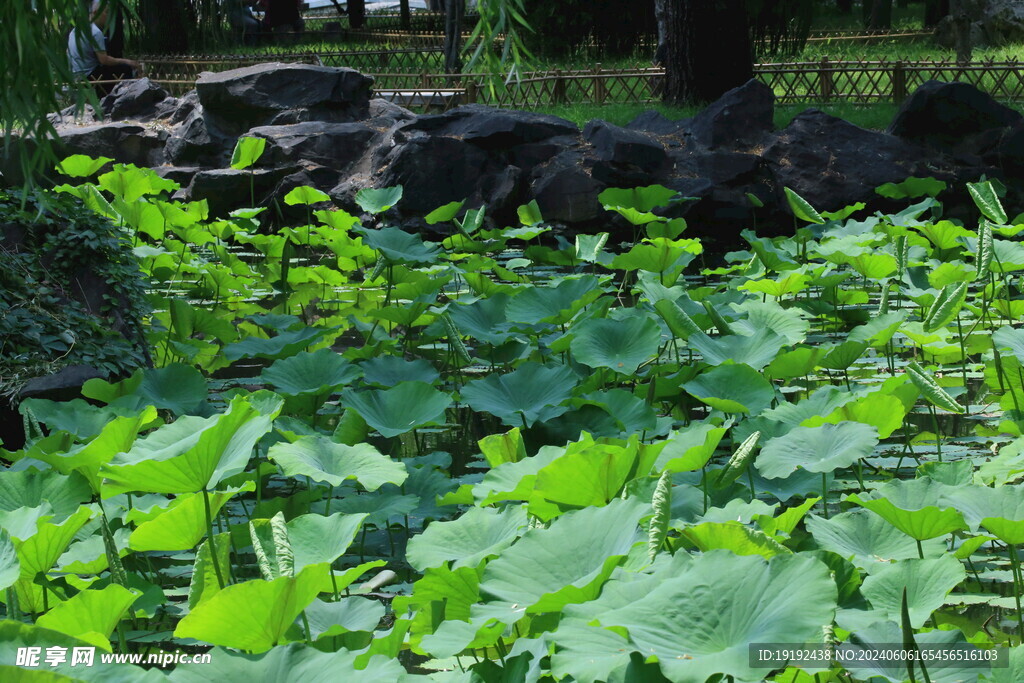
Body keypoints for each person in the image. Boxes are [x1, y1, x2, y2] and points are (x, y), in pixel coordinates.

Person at [67, 0, 141, 95]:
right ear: (95, 12)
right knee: (125, 68)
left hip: (75, 76)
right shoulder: (95, 32)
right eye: (106, 12)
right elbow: (104, 60)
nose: (109, 17)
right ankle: (122, 97)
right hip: (89, 77)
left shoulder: (77, 29)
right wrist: (127, 61)